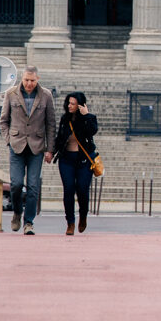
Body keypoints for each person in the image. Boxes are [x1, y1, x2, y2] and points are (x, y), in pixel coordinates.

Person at [0, 66, 56, 235]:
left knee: (33, 186)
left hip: (36, 147)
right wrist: (9, 140)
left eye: (32, 80)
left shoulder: (46, 95)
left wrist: (50, 149)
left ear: (37, 79)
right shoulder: (11, 93)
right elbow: (3, 121)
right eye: (26, 80)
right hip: (16, 146)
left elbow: (51, 124)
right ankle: (17, 212)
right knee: (16, 184)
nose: (29, 83)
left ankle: (28, 222)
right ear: (21, 78)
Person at [54, 91, 99, 236]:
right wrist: (51, 152)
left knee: (82, 190)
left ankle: (83, 216)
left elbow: (92, 131)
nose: (69, 106)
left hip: (84, 160)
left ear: (80, 105)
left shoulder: (89, 118)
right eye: (69, 103)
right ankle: (70, 223)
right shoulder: (64, 119)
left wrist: (86, 115)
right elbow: (60, 138)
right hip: (66, 159)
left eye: (73, 103)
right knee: (68, 190)